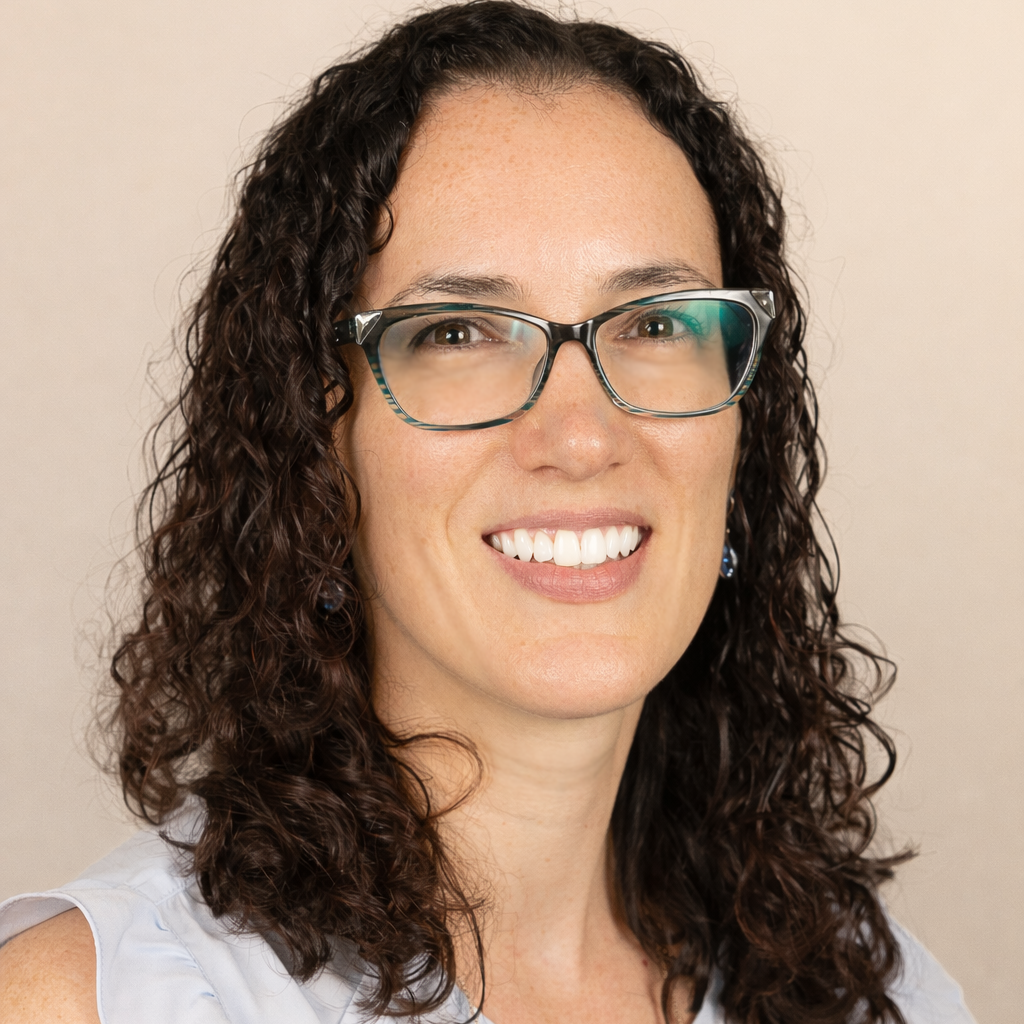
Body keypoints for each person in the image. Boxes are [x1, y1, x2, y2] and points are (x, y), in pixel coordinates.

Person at [0, 3, 976, 1022]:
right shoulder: (86, 1001)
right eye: (459, 330)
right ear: (313, 437)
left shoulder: (877, 994)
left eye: (653, 320)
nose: (582, 433)